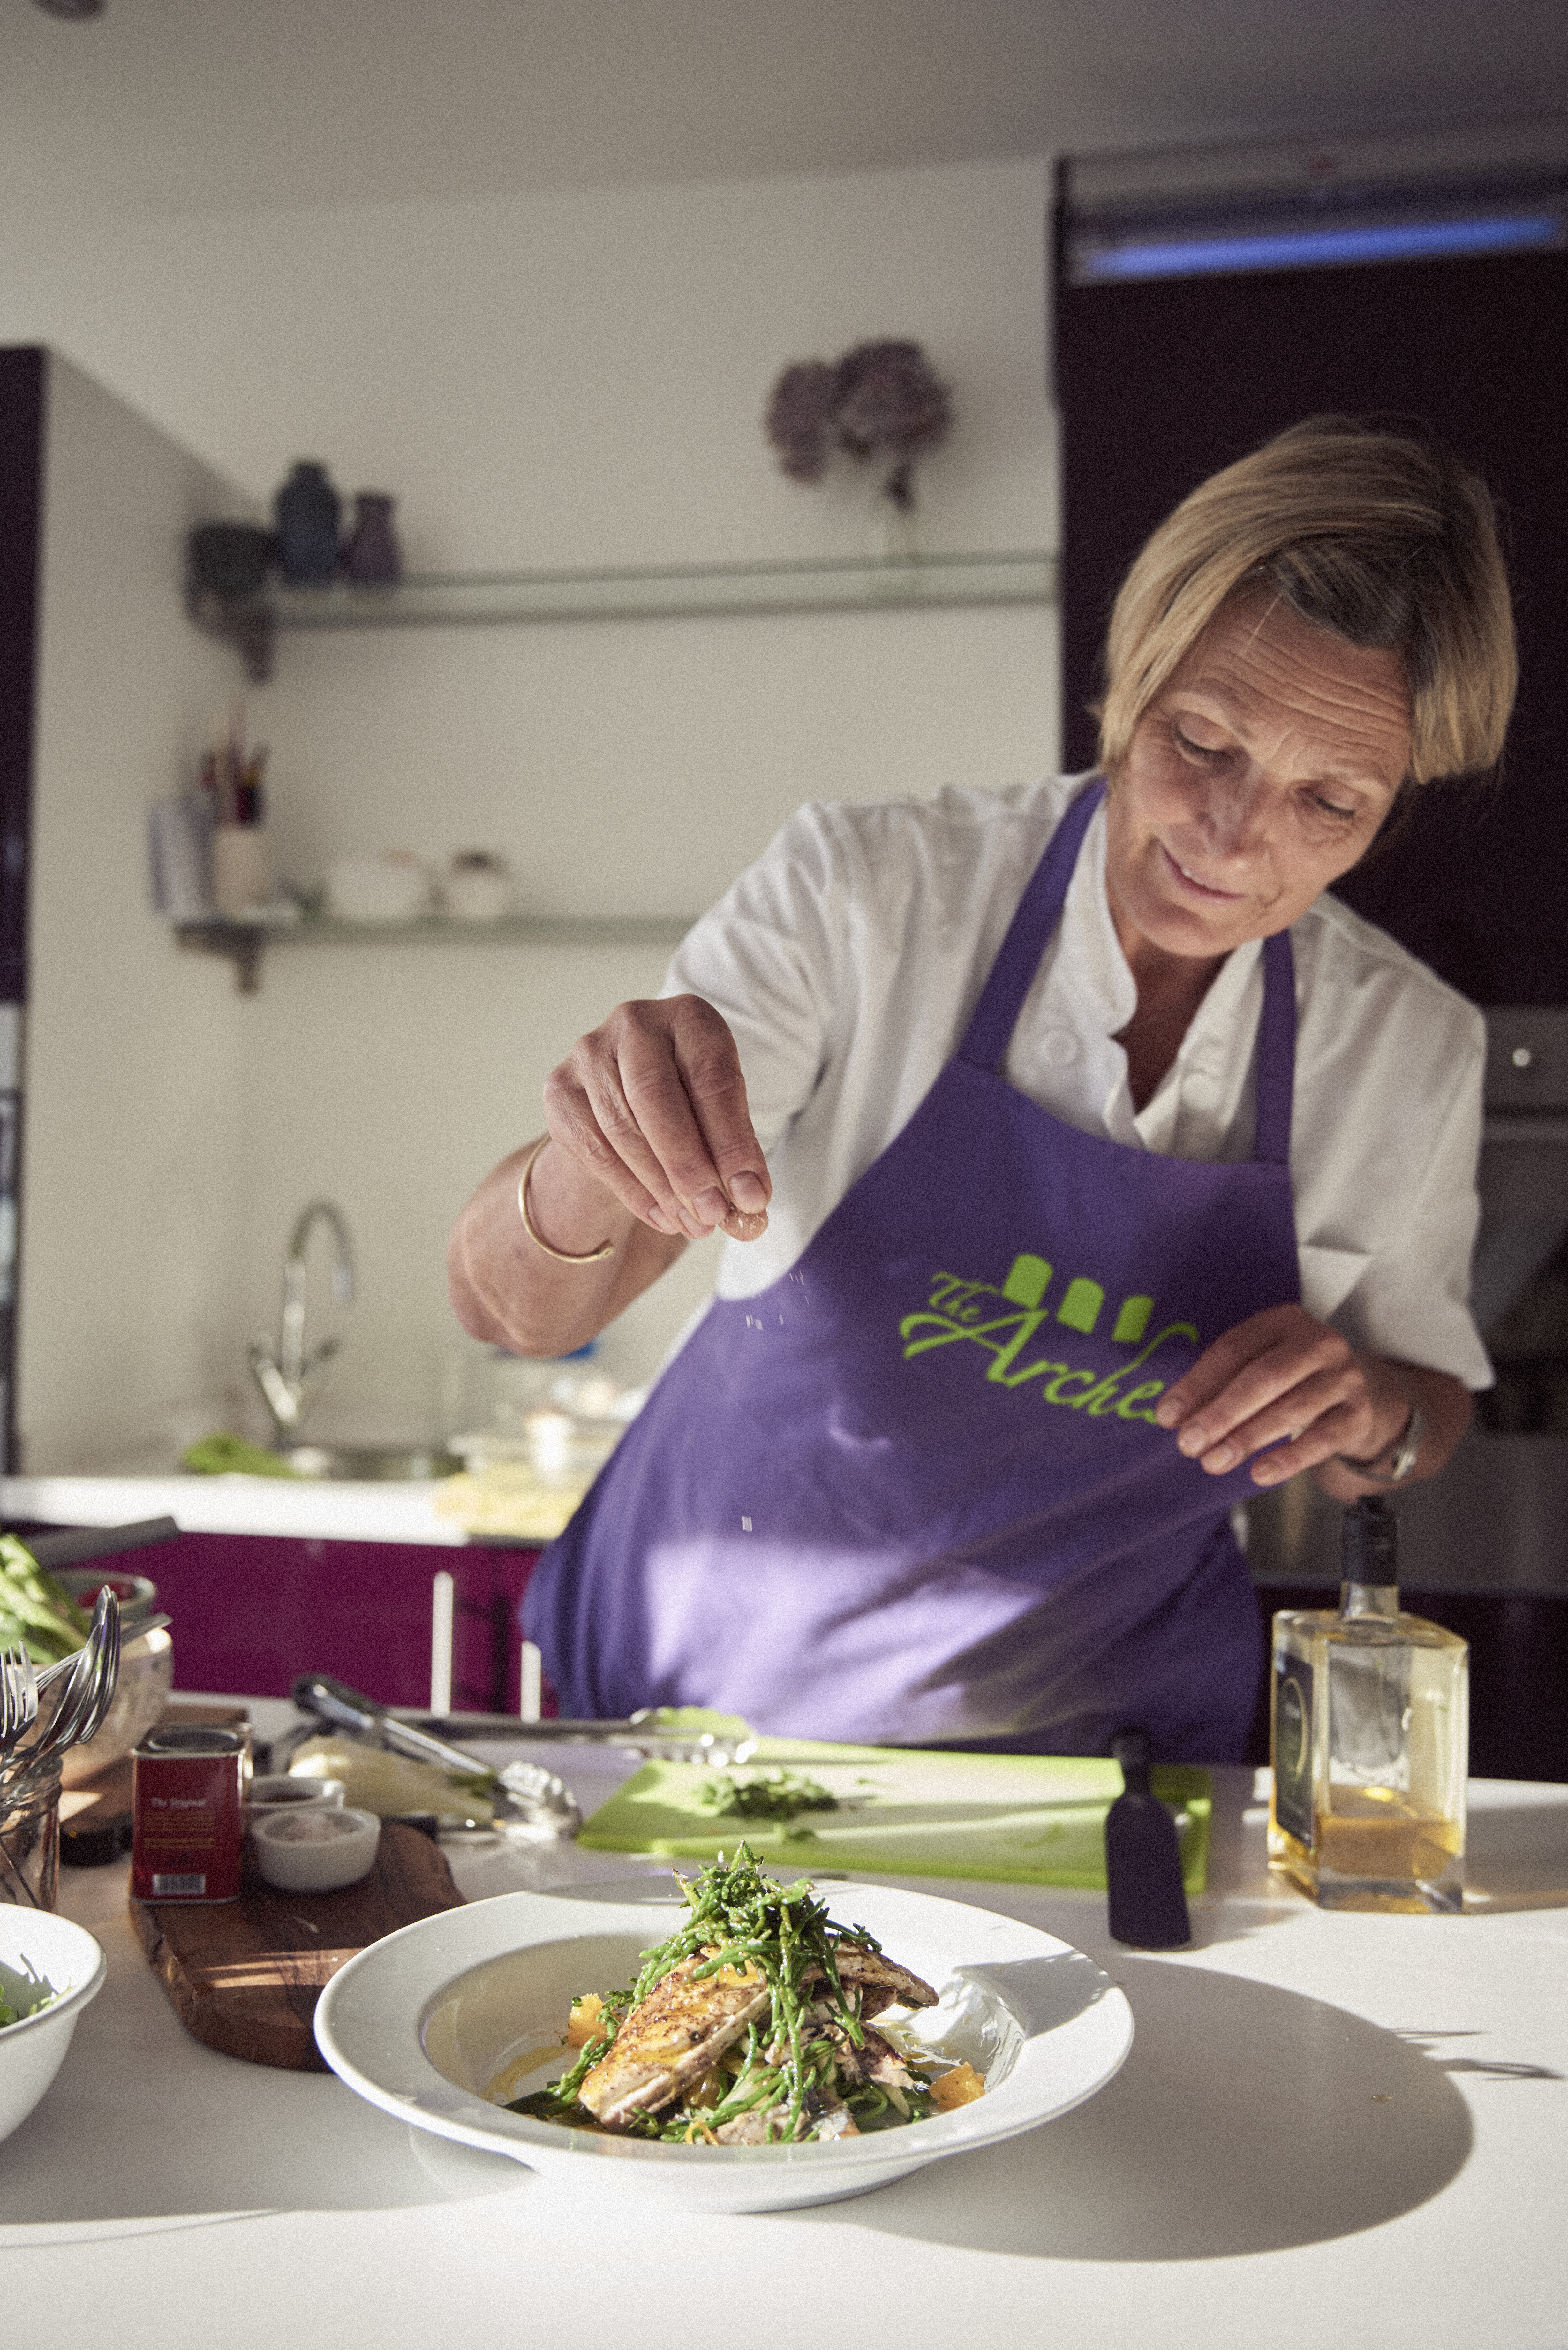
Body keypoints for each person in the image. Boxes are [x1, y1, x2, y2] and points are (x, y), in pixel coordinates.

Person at [449, 417, 1516, 1760]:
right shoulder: (865, 894)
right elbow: (512, 1309)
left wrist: (1366, 1412)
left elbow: (1428, 1411)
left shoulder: (1407, 1048)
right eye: (1203, 740)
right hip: (699, 1719)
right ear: (1130, 674)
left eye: (1332, 803)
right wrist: (592, 1152)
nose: (1236, 842)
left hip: (1099, 1756)